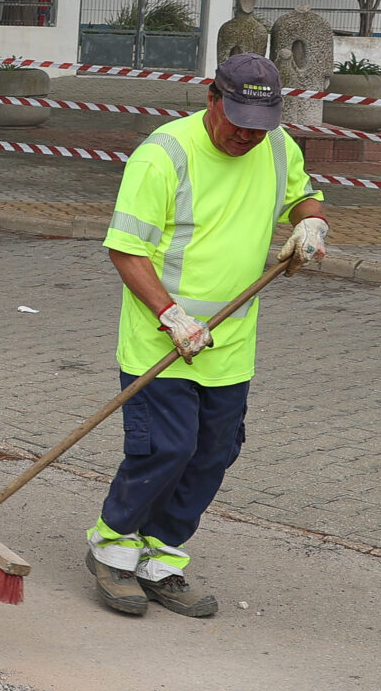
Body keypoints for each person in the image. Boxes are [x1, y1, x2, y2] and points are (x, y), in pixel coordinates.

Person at [88, 54, 329, 618]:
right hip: (163, 339)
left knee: (214, 454)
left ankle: (161, 560)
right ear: (210, 98)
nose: (246, 134)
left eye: (259, 122)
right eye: (236, 118)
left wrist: (310, 223)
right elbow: (125, 249)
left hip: (231, 343)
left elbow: (303, 193)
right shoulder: (163, 155)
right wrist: (172, 316)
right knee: (166, 449)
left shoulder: (275, 145)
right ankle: (111, 548)